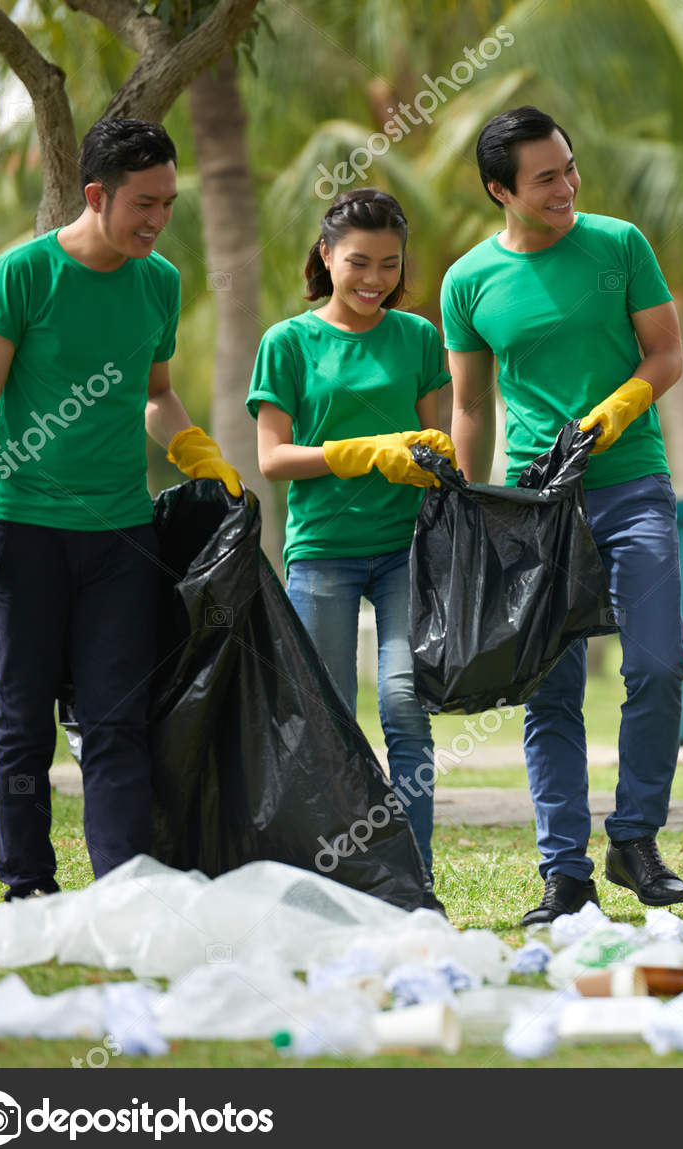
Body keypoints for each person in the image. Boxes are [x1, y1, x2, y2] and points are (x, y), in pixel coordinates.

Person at [0, 118, 243, 901]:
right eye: (143, 203)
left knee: (115, 722)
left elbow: (156, 393)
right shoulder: (24, 275)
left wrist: (195, 451)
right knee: (25, 722)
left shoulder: (159, 282)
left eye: (168, 204)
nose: (157, 220)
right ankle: (29, 885)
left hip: (120, 539)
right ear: (97, 194)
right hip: (24, 529)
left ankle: (125, 886)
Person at [440, 106, 683, 924]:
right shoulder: (469, 282)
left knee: (657, 663)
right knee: (551, 690)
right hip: (534, 503)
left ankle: (636, 837)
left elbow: (666, 353)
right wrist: (468, 515)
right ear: (499, 190)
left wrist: (620, 409)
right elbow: (472, 407)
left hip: (630, 483)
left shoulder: (620, 247)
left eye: (569, 168)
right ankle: (565, 872)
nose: (566, 186)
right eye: (545, 177)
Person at [247, 188, 454, 873]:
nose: (374, 280)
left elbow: (438, 443)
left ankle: (413, 873)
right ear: (327, 255)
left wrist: (429, 460)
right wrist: (359, 450)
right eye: (359, 262)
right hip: (323, 552)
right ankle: (336, 873)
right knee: (330, 723)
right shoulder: (288, 343)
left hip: (405, 552)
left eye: (390, 265)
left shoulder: (419, 338)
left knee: (403, 704)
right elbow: (272, 459)